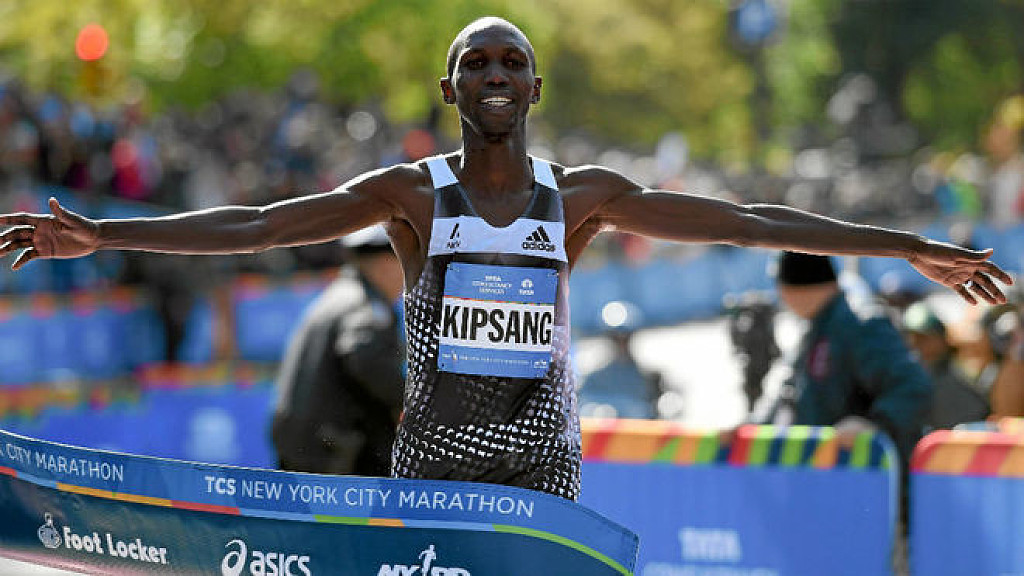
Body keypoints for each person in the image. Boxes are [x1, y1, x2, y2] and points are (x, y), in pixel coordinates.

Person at [0, 17, 1011, 502]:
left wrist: (909, 246)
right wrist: (107, 236)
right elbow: (260, 225)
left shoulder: (582, 198)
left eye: (512, 63)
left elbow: (747, 222)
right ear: (450, 90)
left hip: (542, 464)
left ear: (534, 90)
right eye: (475, 62)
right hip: (432, 461)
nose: (494, 73)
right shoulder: (411, 196)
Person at [765, 251, 932, 461]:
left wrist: (874, 424)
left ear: (793, 289)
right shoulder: (812, 329)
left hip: (868, 467)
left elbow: (912, 385)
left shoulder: (860, 323)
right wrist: (745, 428)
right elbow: (785, 394)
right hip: (825, 466)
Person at [271, 225, 406, 476]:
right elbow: (364, 356)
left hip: (310, 446)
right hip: (334, 452)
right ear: (386, 264)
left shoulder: (338, 296)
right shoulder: (363, 305)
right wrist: (411, 402)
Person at [901, 301, 989, 430]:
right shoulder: (910, 373)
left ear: (941, 339)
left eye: (923, 338)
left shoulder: (964, 365)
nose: (915, 344)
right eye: (911, 338)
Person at [579, 301, 664, 419]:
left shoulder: (650, 379)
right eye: (615, 338)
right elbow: (583, 408)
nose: (621, 344)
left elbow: (661, 409)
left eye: (625, 338)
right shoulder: (594, 380)